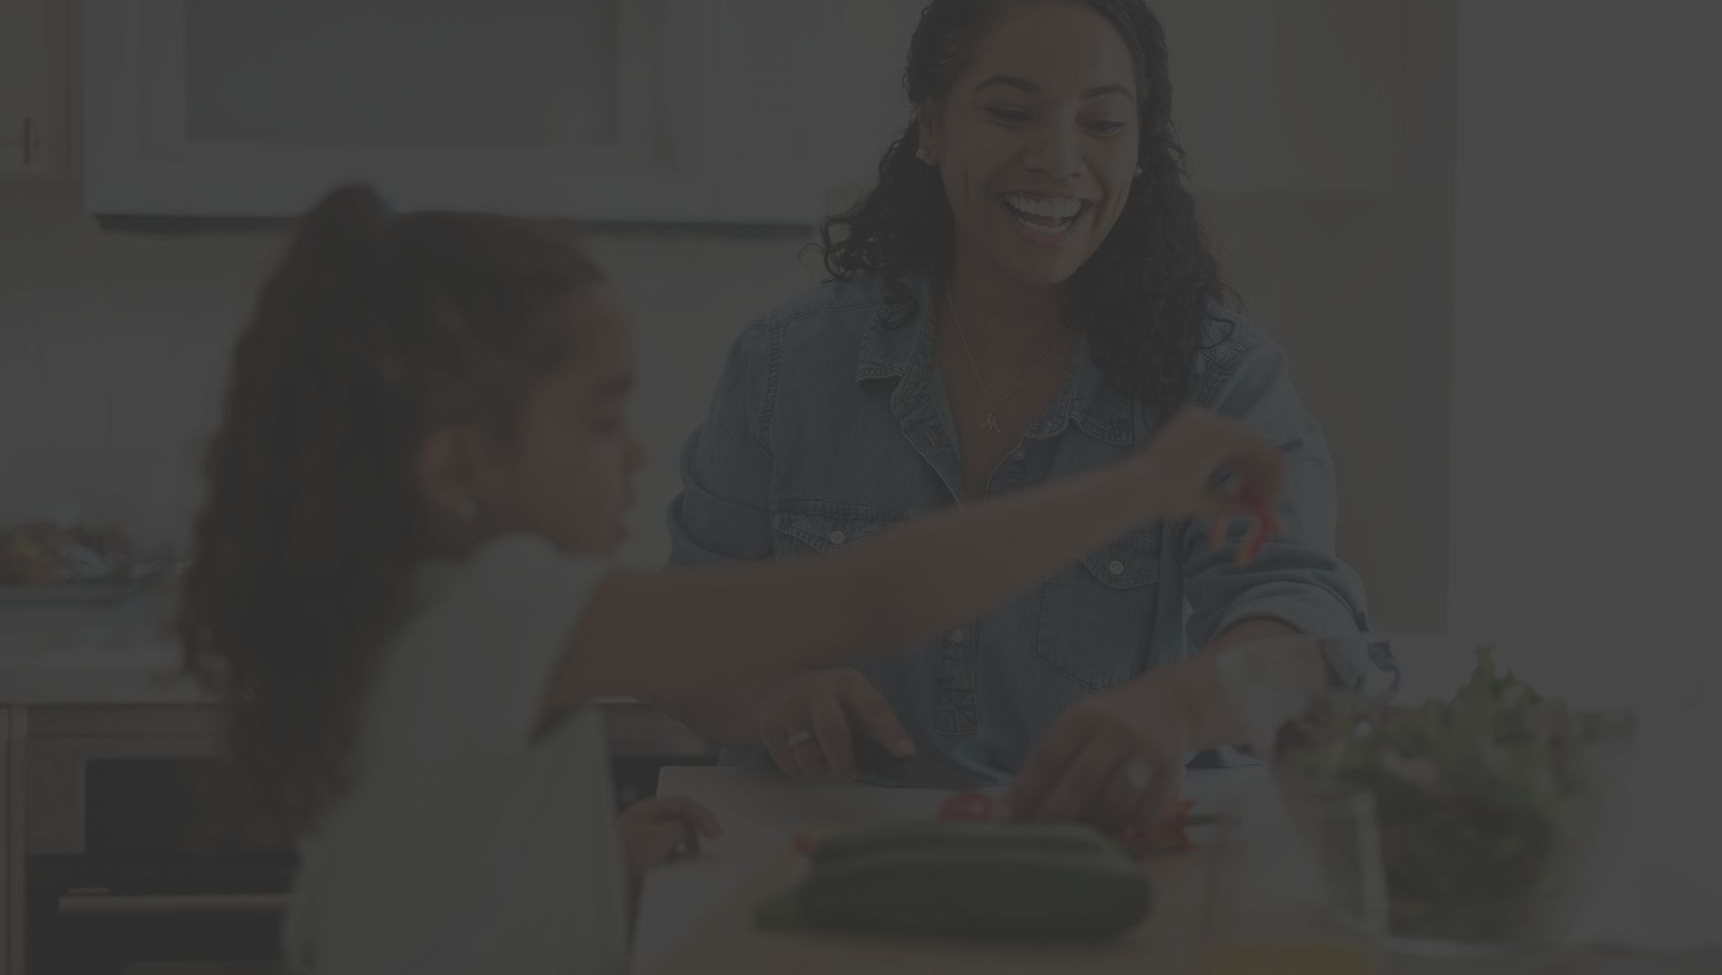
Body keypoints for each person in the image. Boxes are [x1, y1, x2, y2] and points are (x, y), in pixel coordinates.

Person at [174, 183, 1291, 975]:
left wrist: (589, 873)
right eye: (602, 420)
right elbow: (871, 599)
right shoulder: (501, 608)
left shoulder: (406, 622)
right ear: (455, 465)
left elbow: (429, 891)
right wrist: (1147, 481)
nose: (634, 455)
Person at [661, 0, 1397, 828]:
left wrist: (1178, 705)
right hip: (825, 855)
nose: (1058, 158)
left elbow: (1307, 625)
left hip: (1111, 865)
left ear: (1141, 151)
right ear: (931, 127)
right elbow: (688, 640)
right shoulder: (787, 365)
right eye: (1011, 112)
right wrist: (767, 698)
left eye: (1102, 124)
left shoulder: (1221, 378)